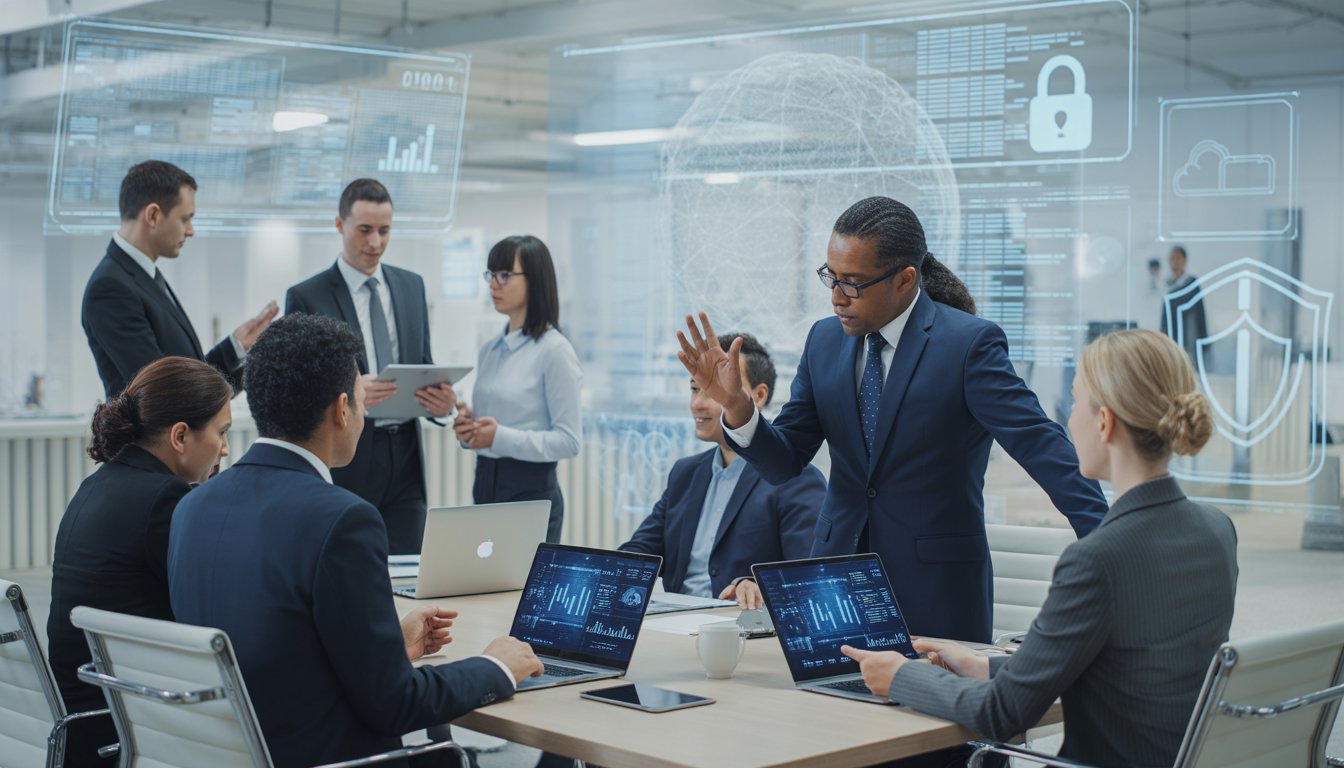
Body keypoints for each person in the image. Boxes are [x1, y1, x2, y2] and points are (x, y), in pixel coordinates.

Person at [678, 196, 1108, 644]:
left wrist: (1112, 543)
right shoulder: (824, 341)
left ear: (904, 280)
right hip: (836, 583)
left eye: (854, 283)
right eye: (831, 278)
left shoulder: (966, 345)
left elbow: (1040, 445)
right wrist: (738, 408)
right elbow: (785, 461)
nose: (836, 297)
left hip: (935, 592)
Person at [843, 329, 1238, 768]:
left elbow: (1003, 713)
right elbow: (1129, 666)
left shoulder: (1098, 558)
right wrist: (978, 664)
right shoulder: (1216, 530)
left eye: (1074, 403)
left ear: (1104, 422)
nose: (1068, 422)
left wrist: (901, 676)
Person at [167, 313, 542, 768]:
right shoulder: (342, 520)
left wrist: (386, 646)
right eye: (363, 404)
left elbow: (271, 646)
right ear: (342, 409)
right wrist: (496, 665)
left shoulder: (192, 508)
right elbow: (395, 704)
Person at [47, 356, 233, 767]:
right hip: (132, 728)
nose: (225, 448)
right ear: (180, 436)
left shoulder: (97, 485)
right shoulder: (165, 501)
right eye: (221, 432)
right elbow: (217, 612)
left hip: (85, 725)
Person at [285, 178, 457, 554]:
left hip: (407, 459)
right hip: (347, 455)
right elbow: (297, 388)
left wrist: (442, 408)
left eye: (384, 231)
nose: (375, 242)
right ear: (339, 225)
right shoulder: (307, 296)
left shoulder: (411, 286)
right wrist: (351, 389)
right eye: (364, 230)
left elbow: (422, 363)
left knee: (409, 571)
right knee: (349, 564)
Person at [620, 332, 825, 596]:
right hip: (676, 619)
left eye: (716, 390)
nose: (698, 404)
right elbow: (639, 553)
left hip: (738, 625)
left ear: (759, 396)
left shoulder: (796, 478)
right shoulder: (687, 473)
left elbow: (807, 577)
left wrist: (758, 586)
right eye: (695, 388)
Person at [81, 160, 277, 398]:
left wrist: (237, 347)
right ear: (153, 215)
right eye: (185, 219)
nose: (191, 230)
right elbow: (164, 394)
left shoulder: (144, 275)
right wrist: (258, 369)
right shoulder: (111, 288)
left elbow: (184, 377)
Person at [455, 235, 582, 544]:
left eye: (504, 275)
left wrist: (498, 436)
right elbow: (492, 426)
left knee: (521, 592)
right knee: (484, 588)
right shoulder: (490, 350)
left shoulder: (555, 351)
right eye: (491, 274)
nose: (493, 284)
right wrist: (470, 430)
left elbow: (569, 441)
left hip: (531, 493)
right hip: (485, 482)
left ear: (535, 280)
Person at [1160, 245, 1208, 360]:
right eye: (1171, 259)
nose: (1174, 262)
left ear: (1184, 260)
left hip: (1187, 338)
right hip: (1170, 338)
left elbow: (1197, 314)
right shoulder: (1168, 285)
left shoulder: (1191, 283)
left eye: (1178, 258)